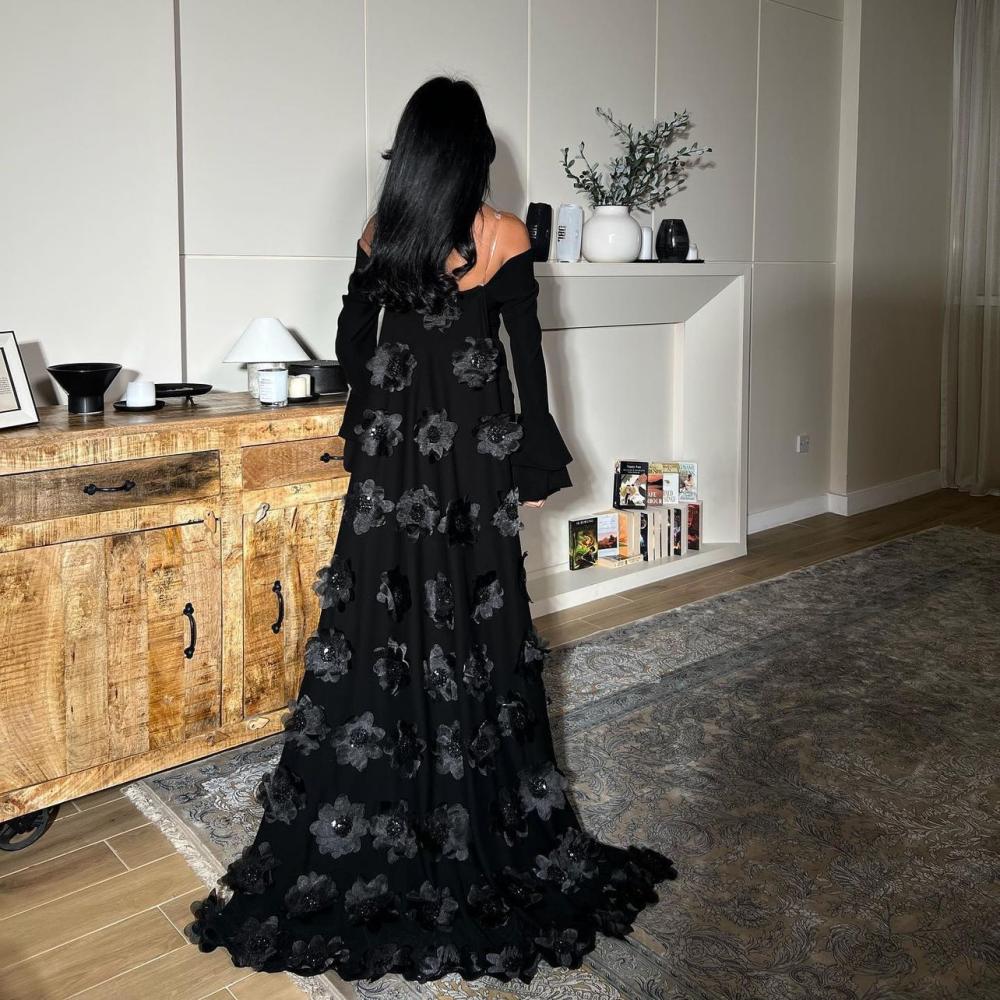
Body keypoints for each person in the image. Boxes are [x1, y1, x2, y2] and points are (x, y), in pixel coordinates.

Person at [185, 75, 675, 985]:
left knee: (377, 623)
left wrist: (383, 409)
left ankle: (381, 784)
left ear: (411, 156)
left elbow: (351, 341)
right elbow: (527, 359)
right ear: (472, 154)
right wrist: (533, 460)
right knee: (477, 625)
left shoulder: (382, 234)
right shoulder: (505, 236)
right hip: (472, 466)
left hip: (392, 464)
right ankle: (474, 797)